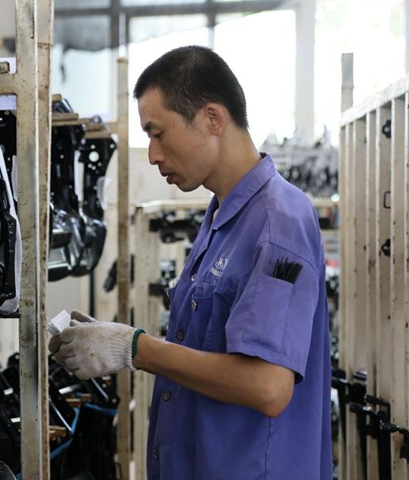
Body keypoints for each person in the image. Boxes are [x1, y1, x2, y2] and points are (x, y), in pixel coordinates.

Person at [48, 45, 332, 480]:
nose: (152, 155)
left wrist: (133, 346)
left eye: (157, 133)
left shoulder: (279, 222)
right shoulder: (220, 217)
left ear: (212, 119)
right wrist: (107, 339)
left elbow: (267, 386)